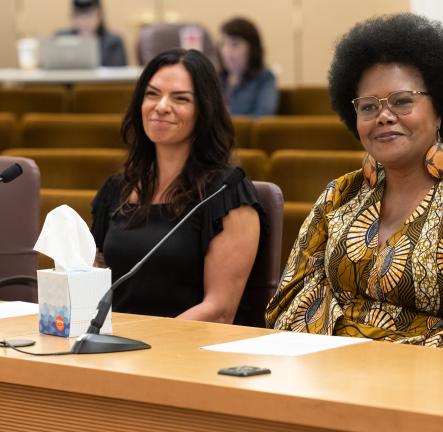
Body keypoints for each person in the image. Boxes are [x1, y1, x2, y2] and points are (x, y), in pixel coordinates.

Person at [266, 14, 443, 357]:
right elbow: (288, 303)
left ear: (439, 110)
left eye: (402, 101)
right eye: (368, 106)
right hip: (330, 379)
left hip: (436, 394)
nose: (383, 116)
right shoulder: (340, 196)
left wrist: (366, 353)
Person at [91, 48, 265, 323]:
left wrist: (144, 345)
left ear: (204, 110)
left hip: (188, 355)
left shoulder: (227, 193)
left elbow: (219, 311)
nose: (161, 106)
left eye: (180, 98)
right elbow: (93, 281)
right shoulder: (116, 189)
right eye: (152, 94)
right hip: (114, 349)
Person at [219, 17, 278, 116]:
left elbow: (263, 116)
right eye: (223, 44)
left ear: (252, 48)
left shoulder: (265, 78)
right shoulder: (216, 77)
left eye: (235, 44)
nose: (227, 52)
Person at [56, 0, 127, 67]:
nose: (85, 22)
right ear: (73, 18)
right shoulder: (60, 40)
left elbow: (118, 72)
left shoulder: (113, 42)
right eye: (79, 16)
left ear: (99, 16)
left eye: (89, 16)